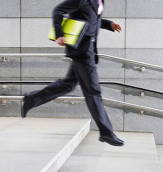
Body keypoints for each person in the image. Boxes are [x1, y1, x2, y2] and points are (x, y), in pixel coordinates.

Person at [21, 0, 124, 146]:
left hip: (88, 50)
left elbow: (90, 20)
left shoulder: (100, 1)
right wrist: (59, 34)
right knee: (93, 91)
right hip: (82, 52)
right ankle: (106, 133)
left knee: (67, 85)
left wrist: (108, 24)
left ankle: (32, 99)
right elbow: (58, 10)